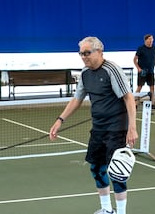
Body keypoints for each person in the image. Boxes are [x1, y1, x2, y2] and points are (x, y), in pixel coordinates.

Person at [49, 37, 138, 214]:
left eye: (87, 53)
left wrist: (132, 127)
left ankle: (121, 212)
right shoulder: (85, 73)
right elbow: (77, 99)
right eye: (81, 53)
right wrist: (60, 120)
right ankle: (106, 209)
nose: (83, 57)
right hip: (98, 129)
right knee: (96, 168)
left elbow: (128, 98)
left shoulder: (112, 70)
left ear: (99, 52)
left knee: (117, 173)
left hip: (116, 128)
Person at [133, 34, 155, 109]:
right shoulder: (141, 49)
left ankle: (152, 104)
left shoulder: (154, 49)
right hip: (142, 72)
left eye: (152, 39)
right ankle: (135, 104)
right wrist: (138, 68)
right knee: (139, 87)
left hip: (151, 71)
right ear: (146, 40)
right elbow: (134, 59)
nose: (151, 41)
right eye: (149, 39)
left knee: (152, 87)